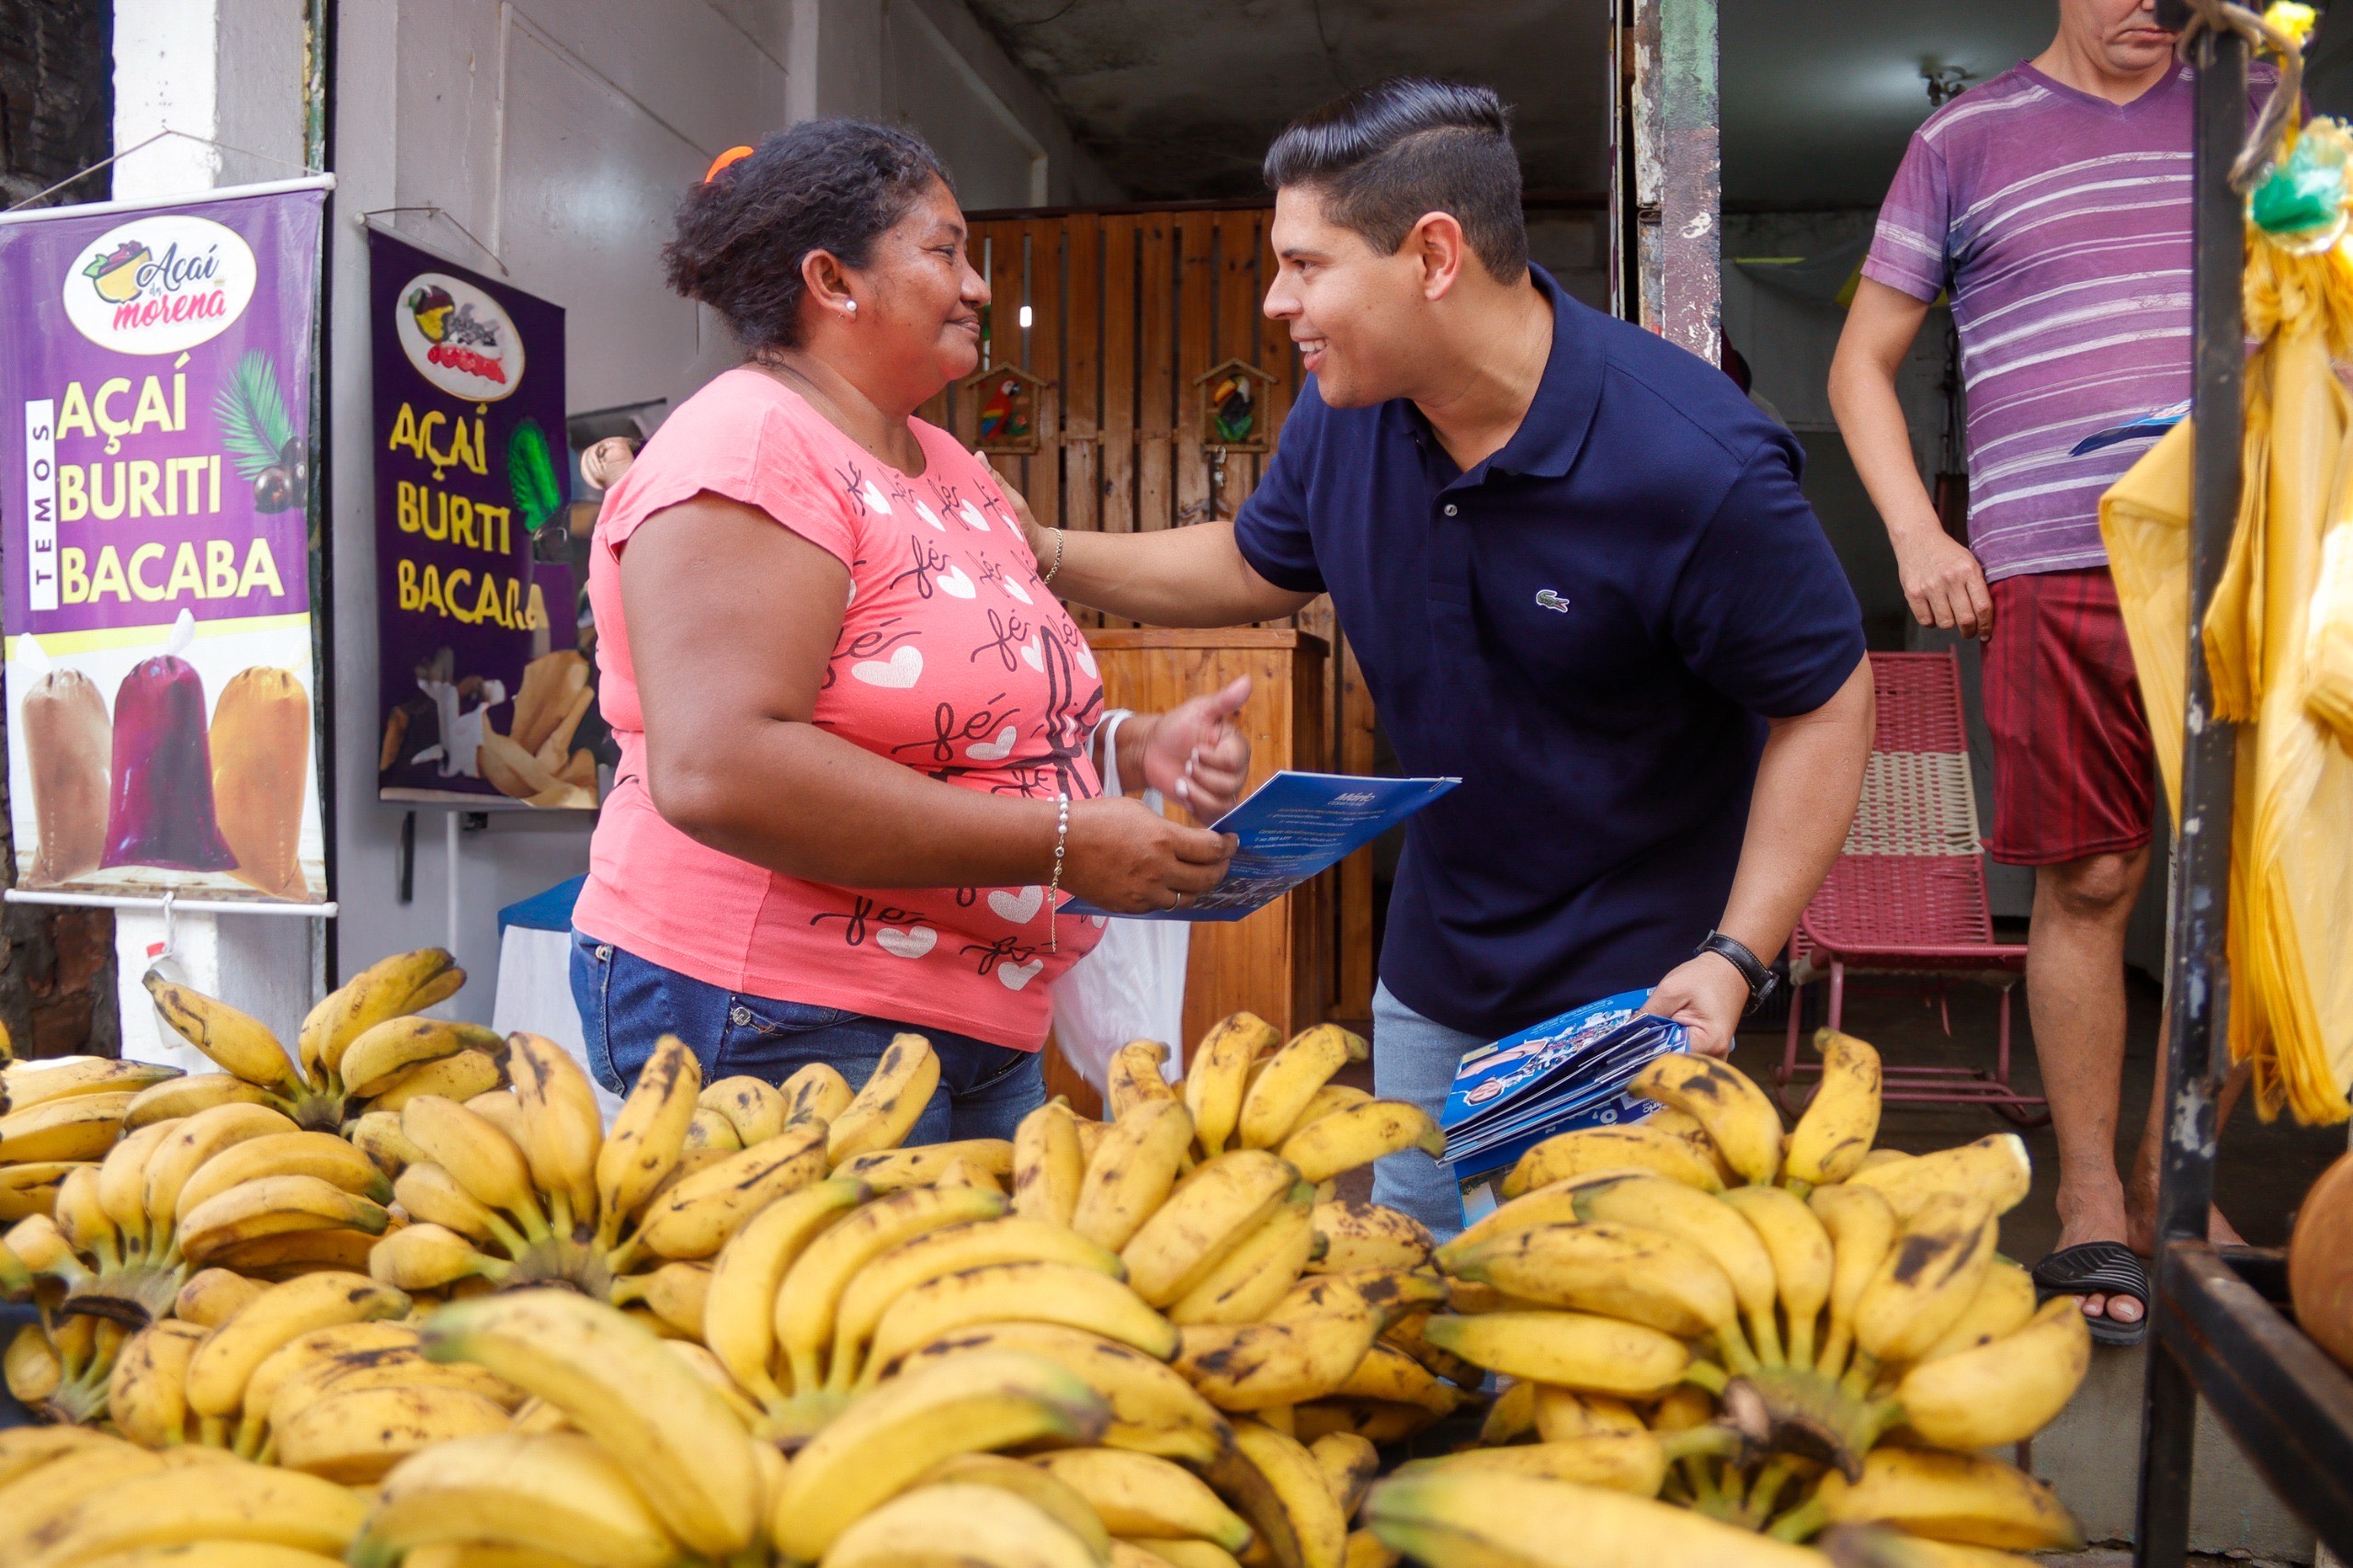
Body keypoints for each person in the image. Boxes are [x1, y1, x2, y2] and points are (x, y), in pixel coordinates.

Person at [1020, 79, 1875, 1233]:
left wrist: (1736, 954)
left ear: (1432, 255)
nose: (1277, 302)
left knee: (1586, 1334)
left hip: (1631, 991)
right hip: (1432, 975)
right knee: (1412, 1290)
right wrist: (1038, 549)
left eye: (1306, 264)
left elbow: (1825, 703)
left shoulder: (1696, 466)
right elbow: (1257, 561)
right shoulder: (1347, 408)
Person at [568, 121, 1253, 1142]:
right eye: (945, 252)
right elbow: (721, 766)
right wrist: (1063, 841)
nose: (977, 285)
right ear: (832, 281)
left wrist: (1133, 743)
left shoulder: (949, 465)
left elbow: (962, 713)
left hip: (969, 1006)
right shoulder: (749, 444)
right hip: (784, 1003)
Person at [1829, 0, 2265, 1341]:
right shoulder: (1964, 139)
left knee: (2254, 884)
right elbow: (1861, 364)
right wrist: (1916, 528)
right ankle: (2090, 1193)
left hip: (2249, 552)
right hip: (2052, 557)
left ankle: (2172, 1169)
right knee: (2090, 872)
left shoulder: (2261, 117)